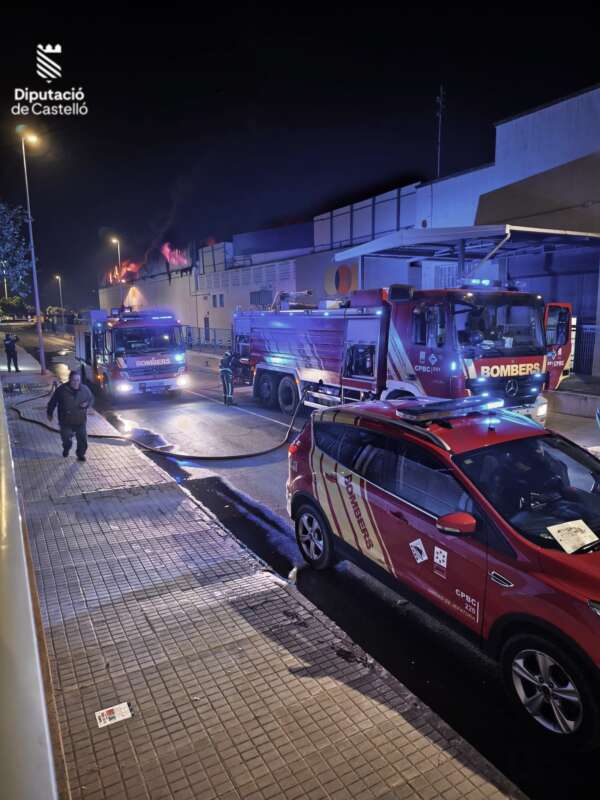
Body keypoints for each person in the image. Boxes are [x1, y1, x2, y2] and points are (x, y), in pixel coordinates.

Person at [46, 370, 94, 461]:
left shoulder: (85, 389)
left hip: (80, 420)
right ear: (69, 380)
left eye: (78, 380)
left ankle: (80, 454)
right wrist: (49, 413)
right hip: (65, 421)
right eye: (74, 380)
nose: (76, 383)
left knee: (82, 439)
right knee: (66, 439)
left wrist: (87, 404)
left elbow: (91, 399)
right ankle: (66, 448)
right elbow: (53, 402)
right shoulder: (61, 390)